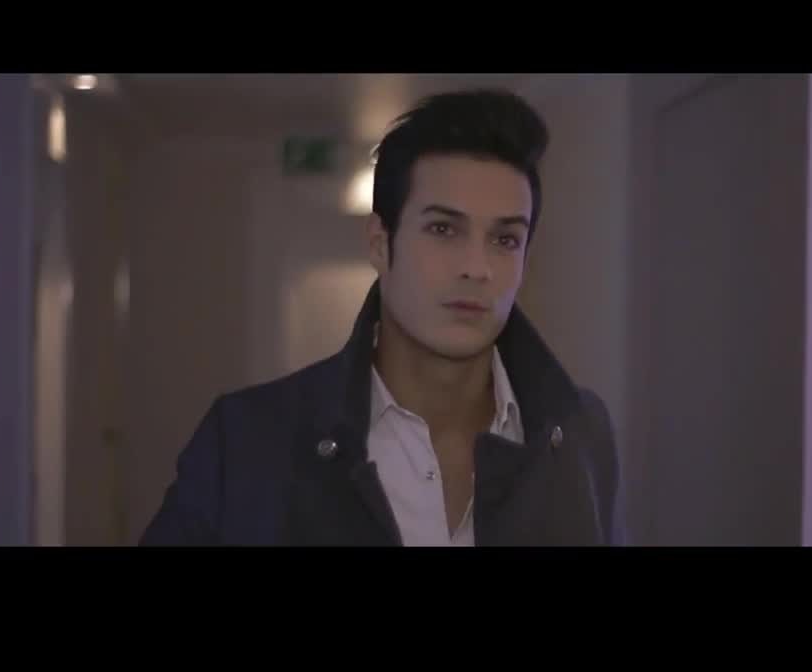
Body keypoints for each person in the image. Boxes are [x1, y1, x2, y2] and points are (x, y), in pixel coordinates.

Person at [140, 88, 625, 546]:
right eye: (443, 229)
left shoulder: (579, 434)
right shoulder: (247, 440)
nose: (476, 268)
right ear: (379, 243)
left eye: (504, 239)